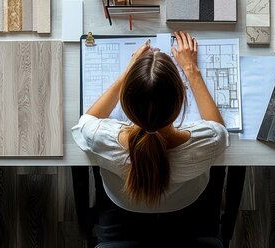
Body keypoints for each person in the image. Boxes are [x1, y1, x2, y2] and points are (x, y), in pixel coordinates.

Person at [72, 31, 229, 242]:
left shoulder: (100, 137)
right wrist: (191, 70)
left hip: (124, 205)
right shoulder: (209, 141)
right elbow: (218, 127)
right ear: (182, 99)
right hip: (187, 205)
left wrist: (127, 74)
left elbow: (87, 120)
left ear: (125, 104)